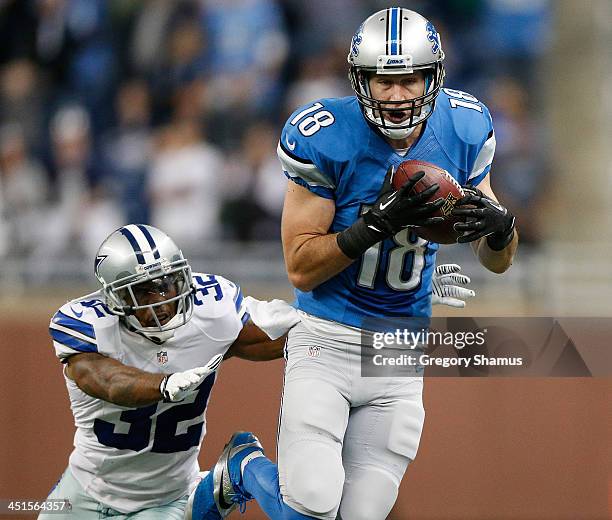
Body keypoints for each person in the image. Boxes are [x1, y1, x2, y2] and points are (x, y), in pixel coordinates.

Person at [189, 7, 517, 520]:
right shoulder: (326, 134)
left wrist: (501, 229)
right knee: (308, 509)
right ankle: (243, 466)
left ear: (433, 77)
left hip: (400, 348)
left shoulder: (466, 125)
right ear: (358, 80)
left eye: (408, 79)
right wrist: (376, 224)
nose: (394, 95)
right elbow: (300, 266)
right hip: (327, 336)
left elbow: (496, 259)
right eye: (381, 81)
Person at [40, 224, 296, 519]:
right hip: (85, 488)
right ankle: (214, 487)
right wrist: (164, 385)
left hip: (166, 499)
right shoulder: (89, 325)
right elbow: (106, 381)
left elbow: (280, 338)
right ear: (117, 299)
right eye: (143, 291)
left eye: (166, 284)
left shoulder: (211, 311)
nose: (160, 300)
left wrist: (326, 325)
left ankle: (218, 481)